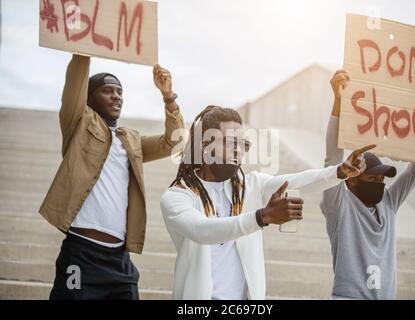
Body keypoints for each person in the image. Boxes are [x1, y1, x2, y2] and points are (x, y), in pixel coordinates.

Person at [160, 105, 373, 299]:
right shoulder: (178, 195)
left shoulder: (251, 186)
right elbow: (202, 231)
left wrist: (339, 171)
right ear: (205, 145)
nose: (238, 150)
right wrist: (261, 217)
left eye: (243, 143)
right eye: (230, 142)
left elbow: (299, 180)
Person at [40, 54, 185, 299]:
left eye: (119, 91)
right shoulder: (78, 123)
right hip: (81, 255)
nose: (116, 96)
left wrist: (168, 96)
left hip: (119, 260)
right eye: (107, 90)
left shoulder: (130, 140)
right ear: (88, 98)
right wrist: (82, 50)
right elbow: (75, 79)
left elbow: (175, 143)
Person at [320, 70, 415, 299]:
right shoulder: (339, 206)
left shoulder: (388, 203)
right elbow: (332, 160)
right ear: (352, 180)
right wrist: (338, 101)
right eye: (373, 178)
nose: (380, 184)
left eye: (381, 179)